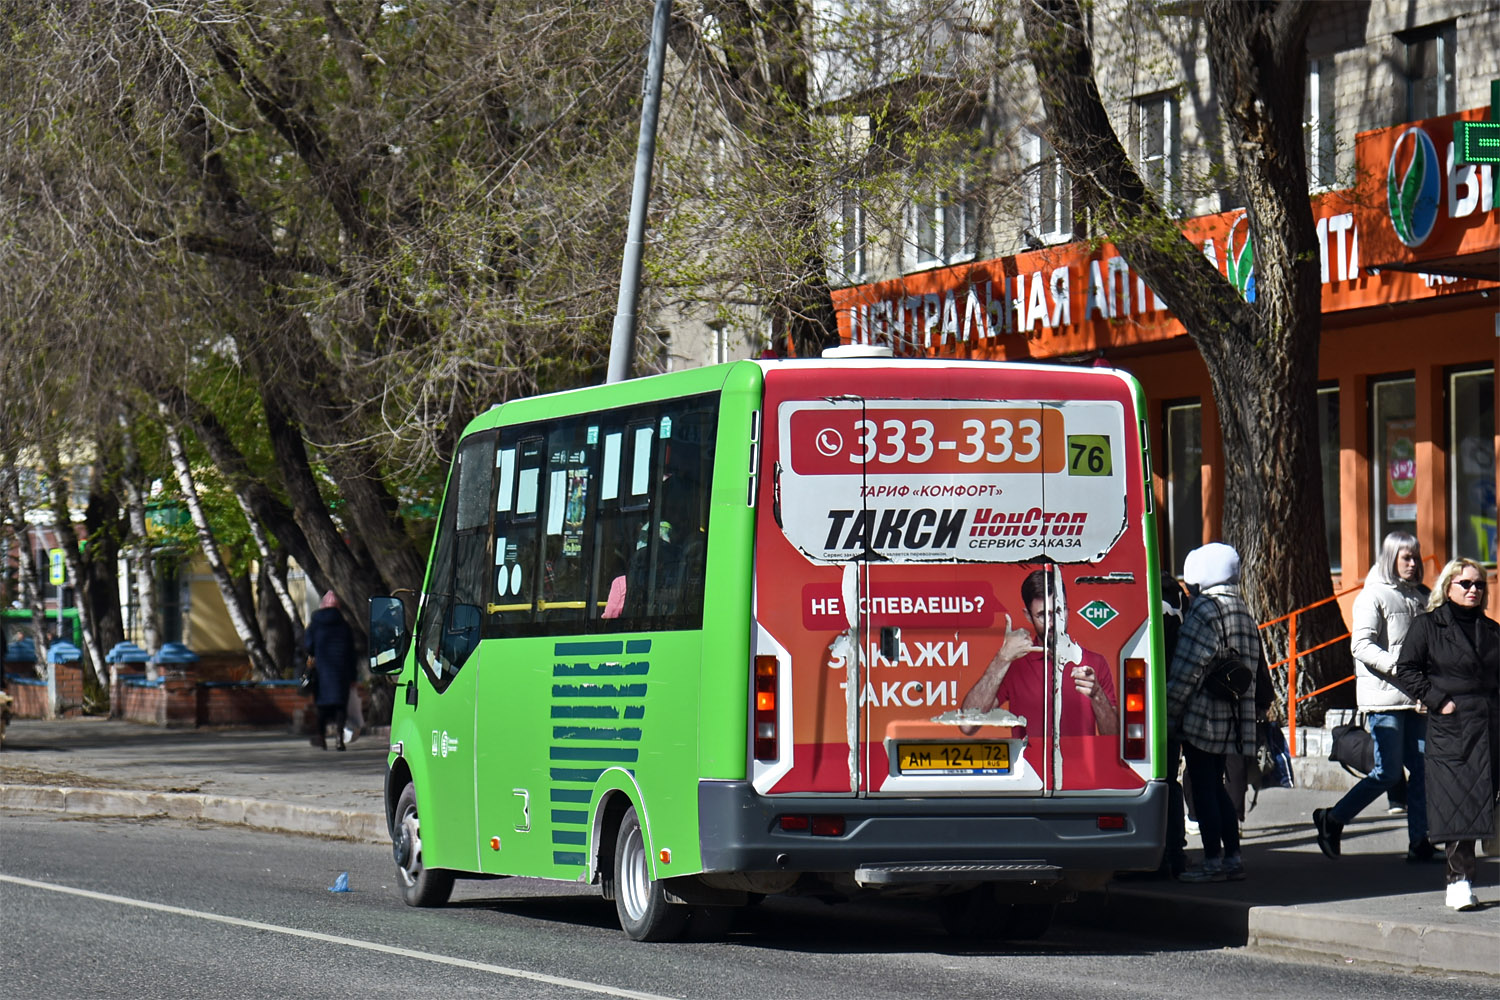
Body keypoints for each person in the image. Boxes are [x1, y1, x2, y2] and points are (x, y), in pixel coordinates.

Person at [1313, 531, 1440, 864]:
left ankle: (1420, 842)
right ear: (1391, 559)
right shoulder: (1373, 596)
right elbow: (1361, 645)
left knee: (1423, 769)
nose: (1414, 564)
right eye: (1406, 558)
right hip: (1385, 699)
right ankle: (1333, 818)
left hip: (1415, 698)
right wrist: (1400, 668)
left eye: (1416, 557)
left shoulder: (1420, 597)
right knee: (1387, 772)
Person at [1393, 558, 1499, 912]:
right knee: (1458, 806)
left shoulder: (1491, 629)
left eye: (1479, 584)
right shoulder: (1428, 626)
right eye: (1465, 584)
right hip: (1451, 730)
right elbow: (1406, 669)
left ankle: (1468, 877)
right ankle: (1459, 881)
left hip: (1489, 727)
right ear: (1447, 587)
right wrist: (1439, 701)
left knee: (1483, 802)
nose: (1473, 590)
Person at [1166, 542, 1258, 883]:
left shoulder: (1205, 610)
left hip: (1204, 716)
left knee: (1203, 787)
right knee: (1216, 785)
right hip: (1234, 716)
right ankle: (1232, 857)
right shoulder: (1241, 608)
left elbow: (1187, 667)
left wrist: (1170, 712)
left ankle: (1212, 861)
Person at [961, 566, 1117, 738]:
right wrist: (1002, 658)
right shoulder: (1015, 664)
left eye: (1058, 611)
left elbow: (1114, 738)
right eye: (1043, 615)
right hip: (1026, 765)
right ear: (1028, 616)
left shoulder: (1095, 663)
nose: (1053, 623)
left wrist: (1097, 695)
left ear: (1067, 609)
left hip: (1081, 765)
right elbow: (968, 725)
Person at [303, 590, 356, 751]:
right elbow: (352, 652)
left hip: (322, 671)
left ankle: (321, 737)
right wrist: (353, 676)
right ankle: (339, 738)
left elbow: (308, 646)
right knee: (340, 706)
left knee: (322, 706)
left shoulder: (315, 624)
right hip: (342, 671)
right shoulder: (344, 625)